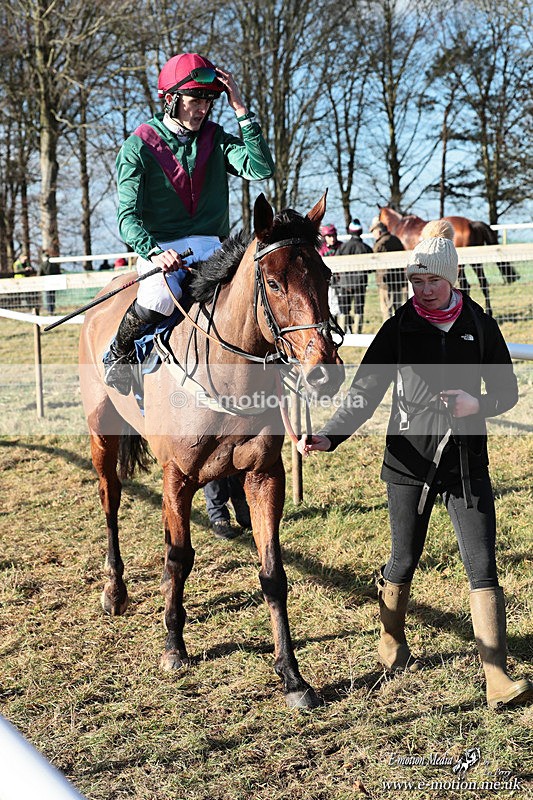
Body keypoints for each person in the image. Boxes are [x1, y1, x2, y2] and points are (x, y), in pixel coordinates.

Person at [298, 220, 533, 709]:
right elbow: (365, 393)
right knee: (403, 559)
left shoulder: (479, 325)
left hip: (467, 465)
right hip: (408, 465)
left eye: (433, 281)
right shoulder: (399, 328)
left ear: (452, 280)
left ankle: (496, 676)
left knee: (483, 567)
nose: (424, 291)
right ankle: (391, 642)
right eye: (416, 282)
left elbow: (508, 392)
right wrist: (329, 436)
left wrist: (478, 404)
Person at [105, 51, 275, 540]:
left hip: (215, 251)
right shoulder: (138, 146)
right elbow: (127, 215)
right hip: (162, 253)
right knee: (159, 299)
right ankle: (121, 353)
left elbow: (259, 167)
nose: (202, 107)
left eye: (208, 98)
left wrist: (242, 109)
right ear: (170, 97)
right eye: (194, 98)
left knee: (248, 318)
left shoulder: (218, 139)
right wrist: (153, 252)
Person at [336, 219, 372, 334]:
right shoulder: (366, 248)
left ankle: (343, 332)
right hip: (360, 284)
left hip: (344, 283)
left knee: (344, 309)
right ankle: (357, 332)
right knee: (358, 309)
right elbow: (372, 268)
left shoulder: (342, 247)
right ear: (361, 231)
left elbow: (335, 264)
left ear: (350, 231)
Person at [369, 218, 407, 321]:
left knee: (387, 310)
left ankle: (389, 333)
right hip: (398, 281)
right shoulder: (396, 240)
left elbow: (373, 260)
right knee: (398, 308)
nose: (373, 235)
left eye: (373, 232)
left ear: (379, 231)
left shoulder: (380, 244)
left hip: (385, 283)